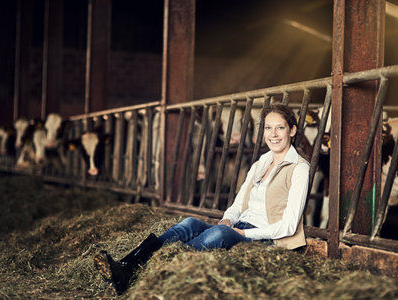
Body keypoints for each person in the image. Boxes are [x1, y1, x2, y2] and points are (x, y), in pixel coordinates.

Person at [93, 104, 310, 295]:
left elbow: (288, 226)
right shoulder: (261, 162)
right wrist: (228, 220)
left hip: (267, 238)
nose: (273, 134)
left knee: (219, 233)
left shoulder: (299, 168)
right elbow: (238, 202)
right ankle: (128, 265)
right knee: (190, 223)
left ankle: (157, 272)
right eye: (268, 128)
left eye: (280, 127)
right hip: (239, 227)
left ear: (292, 130)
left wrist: (242, 233)